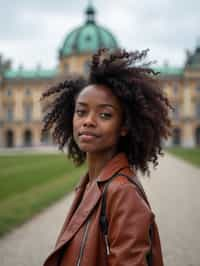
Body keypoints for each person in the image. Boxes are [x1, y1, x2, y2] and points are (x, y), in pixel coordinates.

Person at [40, 48, 172, 266]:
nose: (88, 121)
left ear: (124, 126)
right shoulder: (91, 182)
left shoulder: (123, 193)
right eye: (81, 112)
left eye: (105, 114)